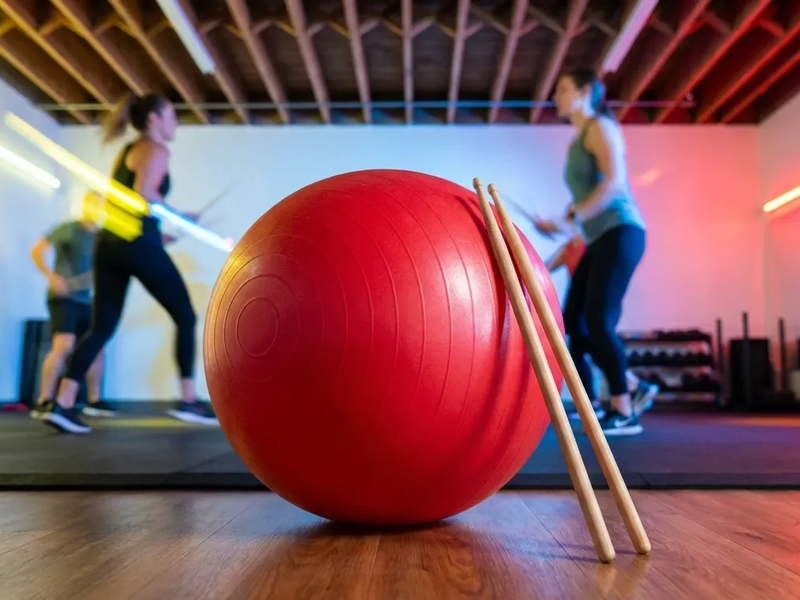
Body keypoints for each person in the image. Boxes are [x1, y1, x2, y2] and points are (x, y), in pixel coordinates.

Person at [46, 93, 218, 434]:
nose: (176, 123)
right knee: (185, 316)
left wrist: (159, 235)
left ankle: (62, 403)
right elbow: (144, 195)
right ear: (154, 118)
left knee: (102, 326)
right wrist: (180, 218)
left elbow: (129, 206)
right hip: (136, 243)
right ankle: (188, 400)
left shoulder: (129, 150)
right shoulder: (157, 150)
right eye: (172, 116)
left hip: (111, 244)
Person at [533, 68, 649, 436]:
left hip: (623, 231)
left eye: (563, 88)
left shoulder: (601, 127)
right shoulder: (577, 140)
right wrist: (563, 219)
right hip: (598, 237)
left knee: (599, 320)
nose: (556, 95)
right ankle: (598, 404)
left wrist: (570, 218)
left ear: (586, 92)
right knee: (574, 325)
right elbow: (585, 199)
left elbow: (614, 185)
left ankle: (624, 408)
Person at [546, 231, 658, 421]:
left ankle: (629, 387)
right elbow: (545, 266)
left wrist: (553, 225)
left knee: (594, 340)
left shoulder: (589, 242)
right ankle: (594, 402)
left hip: (597, 302)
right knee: (577, 348)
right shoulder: (569, 249)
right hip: (583, 304)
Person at [29, 194, 116, 420]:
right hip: (64, 299)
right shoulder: (68, 229)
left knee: (96, 348)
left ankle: (94, 401)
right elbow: (37, 250)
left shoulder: (102, 236)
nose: (96, 208)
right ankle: (44, 400)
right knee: (64, 346)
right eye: (92, 204)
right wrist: (52, 277)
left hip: (88, 300)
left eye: (100, 205)